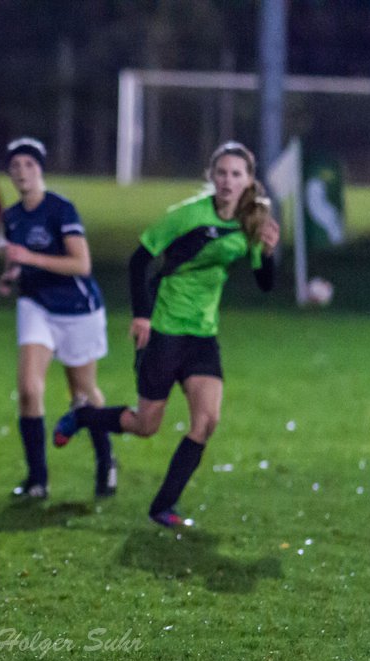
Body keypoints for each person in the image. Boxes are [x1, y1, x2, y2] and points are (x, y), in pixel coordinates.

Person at [54, 141, 279, 528]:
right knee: (146, 426)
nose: (227, 181)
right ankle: (84, 417)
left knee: (206, 422)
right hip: (164, 330)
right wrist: (142, 316)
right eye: (221, 173)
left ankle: (163, 507)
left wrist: (269, 253)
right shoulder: (188, 215)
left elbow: (264, 284)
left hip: (203, 336)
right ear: (211, 176)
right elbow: (139, 259)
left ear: (249, 180)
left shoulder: (253, 221)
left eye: (236, 174)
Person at [0, 138, 117, 502]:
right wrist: (10, 274)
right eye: (15, 166)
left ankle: (106, 461)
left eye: (29, 165)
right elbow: (16, 259)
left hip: (78, 309)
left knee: (83, 395)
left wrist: (30, 259)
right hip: (36, 306)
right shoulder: (12, 216)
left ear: (40, 169)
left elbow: (82, 265)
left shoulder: (61, 209)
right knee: (30, 391)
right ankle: (37, 479)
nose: (22, 172)